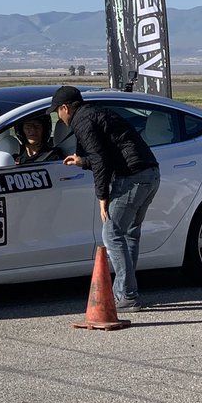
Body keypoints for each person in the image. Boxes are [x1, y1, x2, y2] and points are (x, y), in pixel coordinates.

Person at [51, 85, 160, 312]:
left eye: (57, 113)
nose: (58, 119)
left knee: (111, 233)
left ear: (65, 108)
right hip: (150, 174)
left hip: (133, 178)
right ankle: (127, 293)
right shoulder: (95, 113)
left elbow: (101, 161)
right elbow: (106, 155)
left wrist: (103, 196)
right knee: (129, 234)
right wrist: (82, 161)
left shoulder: (82, 122)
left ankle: (127, 296)